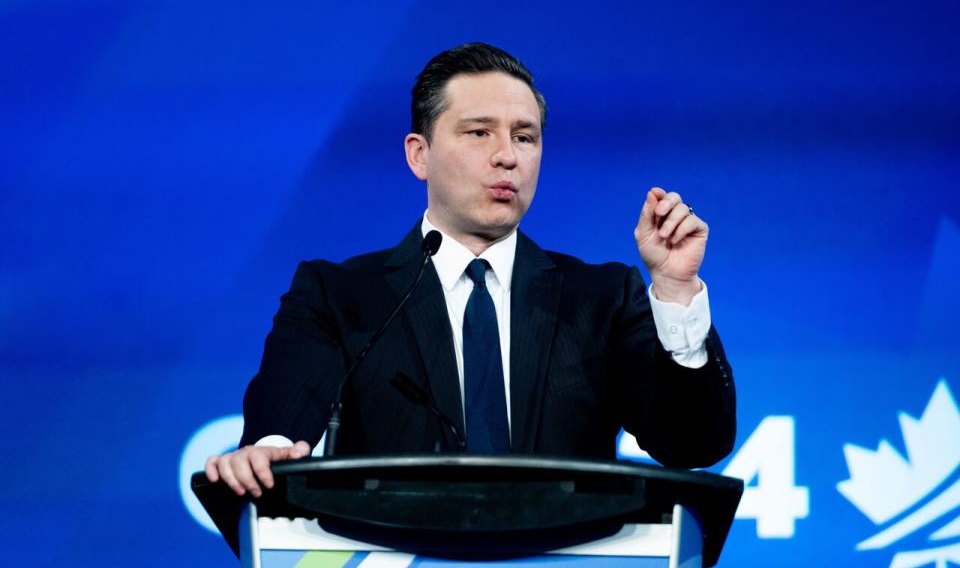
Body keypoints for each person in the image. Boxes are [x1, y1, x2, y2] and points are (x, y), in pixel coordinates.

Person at [206, 42, 735, 498]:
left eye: (525, 137)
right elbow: (283, 422)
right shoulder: (338, 296)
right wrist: (269, 453)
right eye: (479, 133)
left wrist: (674, 286)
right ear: (420, 155)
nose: (507, 156)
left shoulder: (600, 297)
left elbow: (693, 444)